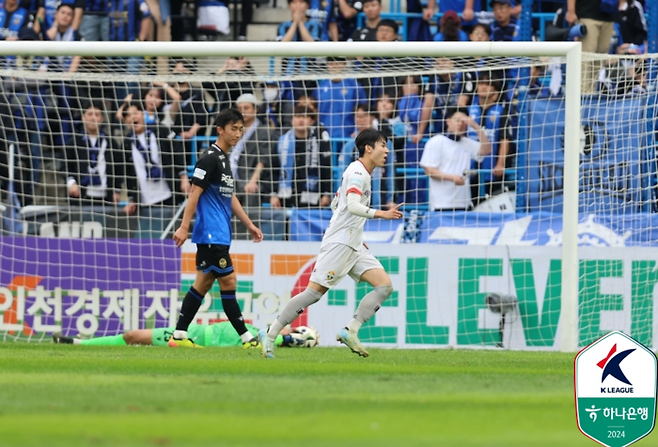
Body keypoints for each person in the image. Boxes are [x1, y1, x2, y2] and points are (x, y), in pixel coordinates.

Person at [259, 128, 404, 359]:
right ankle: (270, 333)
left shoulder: (362, 172)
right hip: (340, 244)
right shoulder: (358, 172)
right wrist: (381, 214)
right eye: (383, 145)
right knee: (313, 294)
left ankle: (350, 331)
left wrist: (356, 235)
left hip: (354, 244)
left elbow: (337, 205)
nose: (387, 150)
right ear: (368, 148)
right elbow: (353, 206)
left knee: (384, 286)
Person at [170, 108, 264, 348]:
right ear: (220, 129)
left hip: (220, 233)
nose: (238, 133)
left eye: (241, 129)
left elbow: (229, 196)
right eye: (233, 128)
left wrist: (250, 224)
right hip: (210, 233)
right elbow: (194, 193)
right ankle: (246, 338)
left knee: (202, 284)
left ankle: (179, 335)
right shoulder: (209, 158)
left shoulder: (224, 159)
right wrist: (183, 227)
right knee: (229, 281)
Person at [419, 107, 491, 211]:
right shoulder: (436, 141)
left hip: (464, 203)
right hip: (442, 204)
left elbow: (487, 150)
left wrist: (476, 127)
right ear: (448, 121)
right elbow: (429, 170)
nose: (460, 124)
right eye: (457, 120)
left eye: (464, 121)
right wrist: (453, 178)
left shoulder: (467, 142)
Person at [52, 322, 319, 348]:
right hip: (193, 332)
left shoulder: (265, 341)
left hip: (197, 342)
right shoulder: (262, 331)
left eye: (292, 330)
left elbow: (269, 339)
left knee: (133, 335)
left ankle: (78, 343)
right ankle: (78, 343)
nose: (286, 325)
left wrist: (287, 340)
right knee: (132, 335)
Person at [270, 105, 332, 209]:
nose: (300, 120)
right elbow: (273, 170)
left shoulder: (319, 142)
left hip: (312, 198)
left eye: (305, 117)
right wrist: (273, 194)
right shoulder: (282, 142)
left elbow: (326, 169)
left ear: (312, 121)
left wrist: (326, 193)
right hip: (285, 197)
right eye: (297, 116)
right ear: (292, 120)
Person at [65, 100, 122, 206]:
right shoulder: (74, 142)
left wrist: (117, 190)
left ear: (102, 118)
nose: (93, 118)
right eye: (89, 114)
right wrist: (71, 182)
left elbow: (118, 169)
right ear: (83, 117)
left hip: (106, 198)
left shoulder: (110, 142)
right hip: (81, 197)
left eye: (97, 114)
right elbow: (65, 166)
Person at [232, 93, 279, 208]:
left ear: (256, 109)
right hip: (233, 179)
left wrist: (253, 181)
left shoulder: (264, 132)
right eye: (239, 109)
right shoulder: (234, 131)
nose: (243, 112)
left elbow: (263, 160)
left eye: (246, 108)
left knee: (251, 191)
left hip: (254, 179)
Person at [566, 0, 615, 94]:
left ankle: (590, 94)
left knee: (601, 57)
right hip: (587, 13)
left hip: (608, 14)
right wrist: (571, 10)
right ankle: (582, 95)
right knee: (586, 56)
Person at [314, 56, 366, 139]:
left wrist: (358, 130)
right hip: (325, 136)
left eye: (337, 63)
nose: (334, 66)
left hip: (349, 136)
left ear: (344, 64)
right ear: (327, 65)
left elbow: (363, 110)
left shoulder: (354, 86)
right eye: (331, 63)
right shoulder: (320, 88)